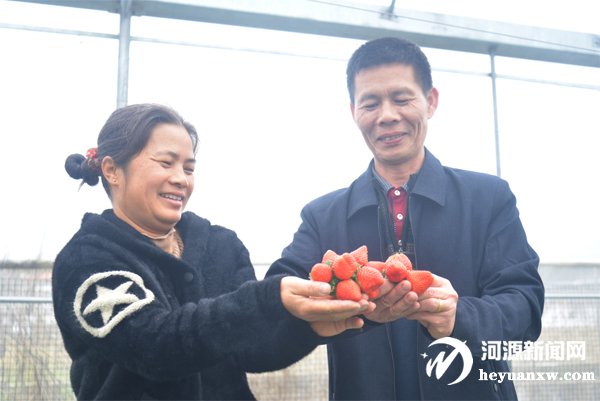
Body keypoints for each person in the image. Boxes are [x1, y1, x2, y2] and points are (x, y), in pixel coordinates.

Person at [266, 37, 545, 400]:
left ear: (431, 101)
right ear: (353, 111)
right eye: (370, 103)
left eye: (401, 99)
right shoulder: (323, 216)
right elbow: (277, 302)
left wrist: (458, 317)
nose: (386, 116)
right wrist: (332, 308)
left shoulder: (488, 198)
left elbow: (525, 306)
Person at [53, 103, 374, 401]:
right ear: (111, 170)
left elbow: (252, 350)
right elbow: (154, 347)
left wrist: (310, 326)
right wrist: (265, 298)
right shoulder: (87, 259)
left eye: (188, 168)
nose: (180, 179)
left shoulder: (221, 245)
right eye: (165, 163)